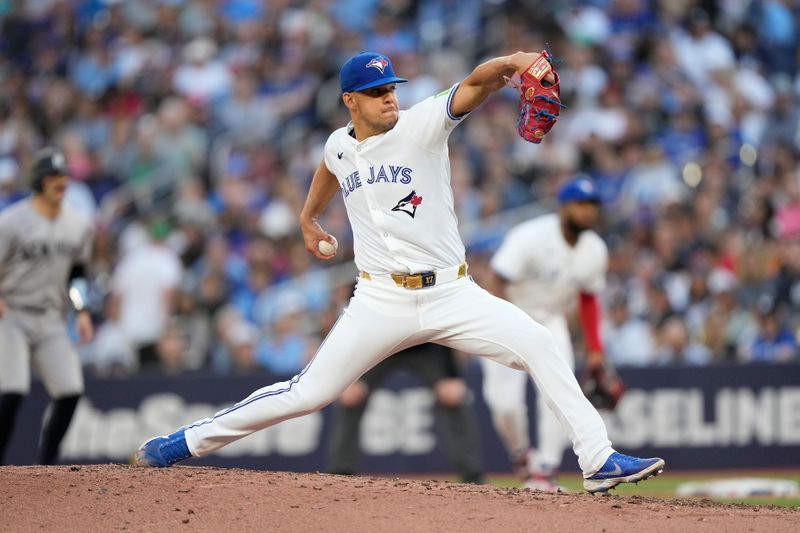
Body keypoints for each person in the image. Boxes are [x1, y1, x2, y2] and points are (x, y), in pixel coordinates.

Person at [133, 50, 665, 493]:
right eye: (377, 91)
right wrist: (307, 217)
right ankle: (182, 443)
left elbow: (476, 85)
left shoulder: (421, 125)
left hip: (452, 292)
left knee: (542, 343)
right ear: (350, 101)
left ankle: (597, 460)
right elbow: (329, 164)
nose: (390, 97)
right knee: (307, 394)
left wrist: (517, 61)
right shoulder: (340, 144)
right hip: (379, 301)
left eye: (392, 87)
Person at [480, 176, 613, 492]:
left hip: (551, 322)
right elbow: (496, 278)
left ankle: (545, 470)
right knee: (504, 404)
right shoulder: (531, 236)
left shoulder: (595, 249)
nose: (589, 212)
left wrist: (595, 348)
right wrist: (505, 321)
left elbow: (588, 297)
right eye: (582, 205)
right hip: (508, 316)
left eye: (593, 206)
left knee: (558, 395)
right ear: (564, 206)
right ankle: (522, 456)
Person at [0, 148, 95, 465]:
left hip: (51, 317)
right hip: (11, 313)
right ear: (39, 181)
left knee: (70, 390)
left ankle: (46, 467)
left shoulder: (78, 224)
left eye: (64, 176)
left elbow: (78, 273)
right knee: (11, 391)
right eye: (54, 176)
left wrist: (81, 311)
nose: (61, 182)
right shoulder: (12, 222)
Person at [326, 343, 484, 484]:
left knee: (452, 396)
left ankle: (472, 477)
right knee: (352, 396)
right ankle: (340, 476)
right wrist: (349, 376)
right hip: (380, 345)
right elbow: (356, 326)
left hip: (425, 345)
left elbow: (441, 323)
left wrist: (451, 374)